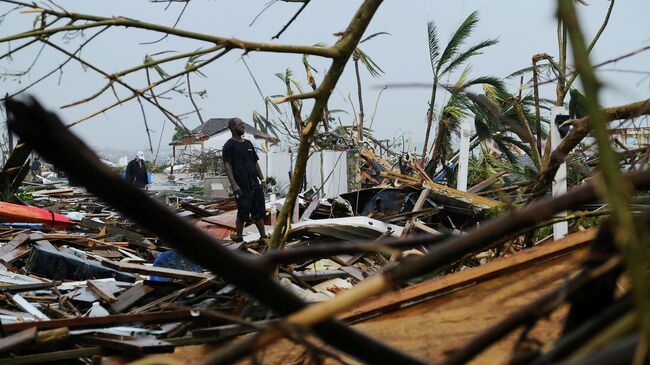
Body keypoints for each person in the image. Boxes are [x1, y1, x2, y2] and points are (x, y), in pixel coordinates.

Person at [222, 118, 267, 242]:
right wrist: (234, 184)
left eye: (243, 123)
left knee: (258, 212)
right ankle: (240, 239)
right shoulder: (229, 145)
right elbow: (227, 165)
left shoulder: (248, 144)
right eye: (239, 124)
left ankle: (263, 236)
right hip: (241, 185)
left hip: (254, 184)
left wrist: (262, 180)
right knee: (243, 212)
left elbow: (255, 163)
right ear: (232, 127)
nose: (243, 125)